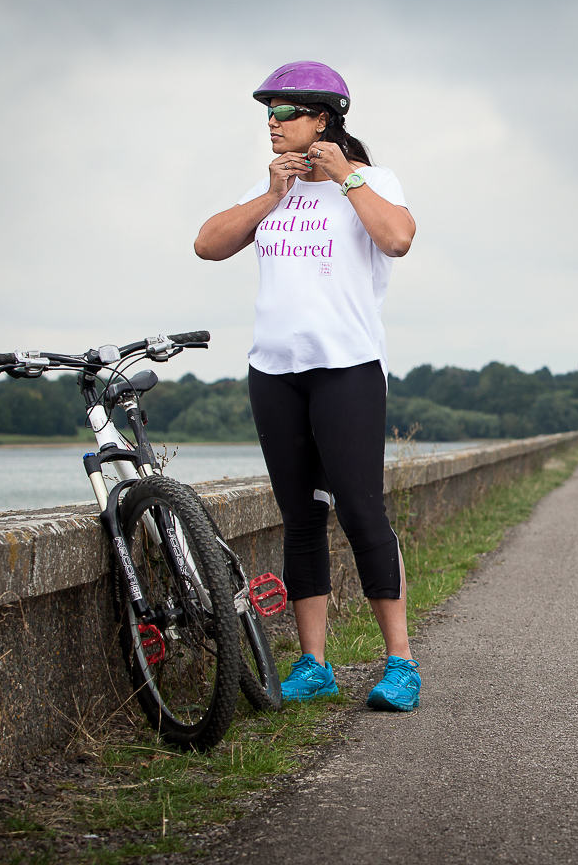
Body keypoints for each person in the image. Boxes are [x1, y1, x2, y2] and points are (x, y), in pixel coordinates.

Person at [193, 61, 421, 712]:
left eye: (285, 111)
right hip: (274, 372)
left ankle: (400, 663)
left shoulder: (372, 182)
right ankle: (314, 663)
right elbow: (207, 246)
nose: (272, 121)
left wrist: (345, 176)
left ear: (323, 119)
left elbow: (398, 238)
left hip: (346, 368)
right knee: (301, 518)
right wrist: (270, 197)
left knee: (360, 510)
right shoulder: (273, 188)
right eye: (267, 111)